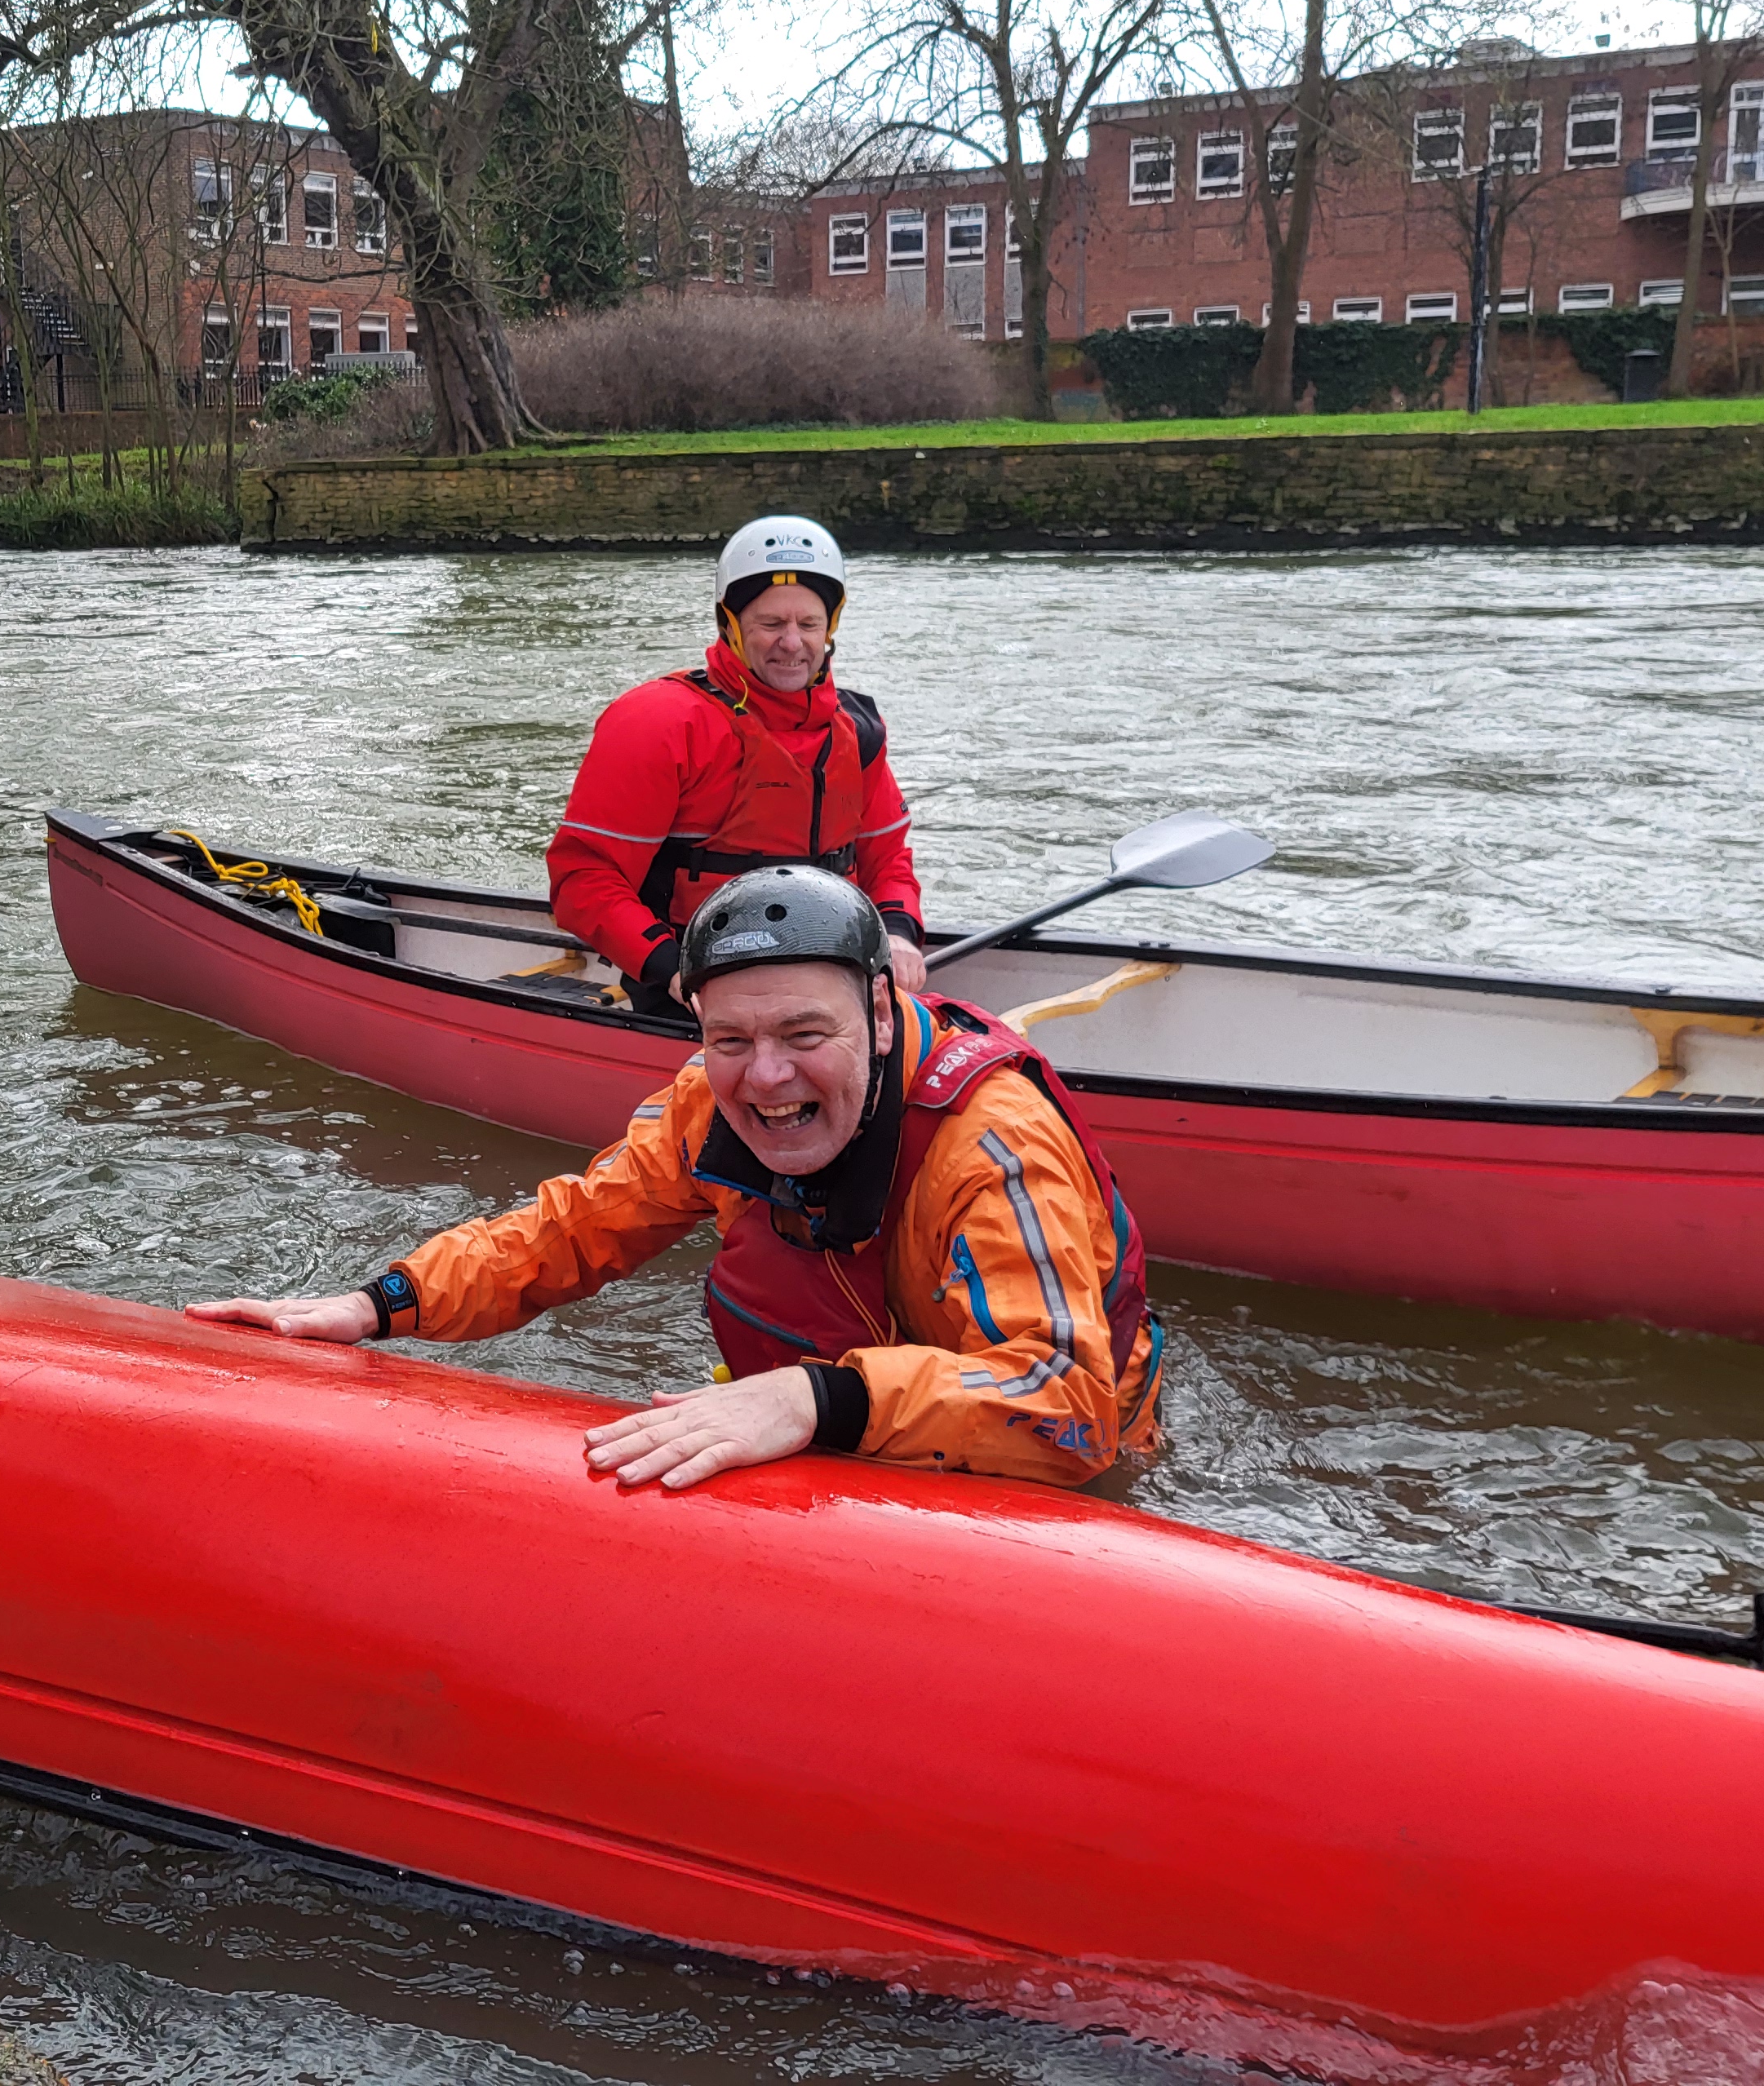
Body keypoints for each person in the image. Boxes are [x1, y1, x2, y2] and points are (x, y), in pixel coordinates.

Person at [191, 866, 1162, 1492]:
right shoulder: (711, 1097)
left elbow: (1062, 1405)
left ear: (878, 1006)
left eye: (804, 1034)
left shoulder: (992, 1145)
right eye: (729, 1038)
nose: (766, 1077)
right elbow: (568, 1232)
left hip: (1033, 1444)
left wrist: (811, 1401)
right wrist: (376, 1306)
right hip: (844, 1387)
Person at [548, 516, 924, 1024]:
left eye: (809, 625)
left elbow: (888, 861)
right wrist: (677, 969)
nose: (793, 643)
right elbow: (583, 878)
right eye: (771, 625)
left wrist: (899, 933)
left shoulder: (857, 730)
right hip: (692, 980)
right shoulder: (658, 722)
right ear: (730, 623)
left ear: (830, 627)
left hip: (835, 969)